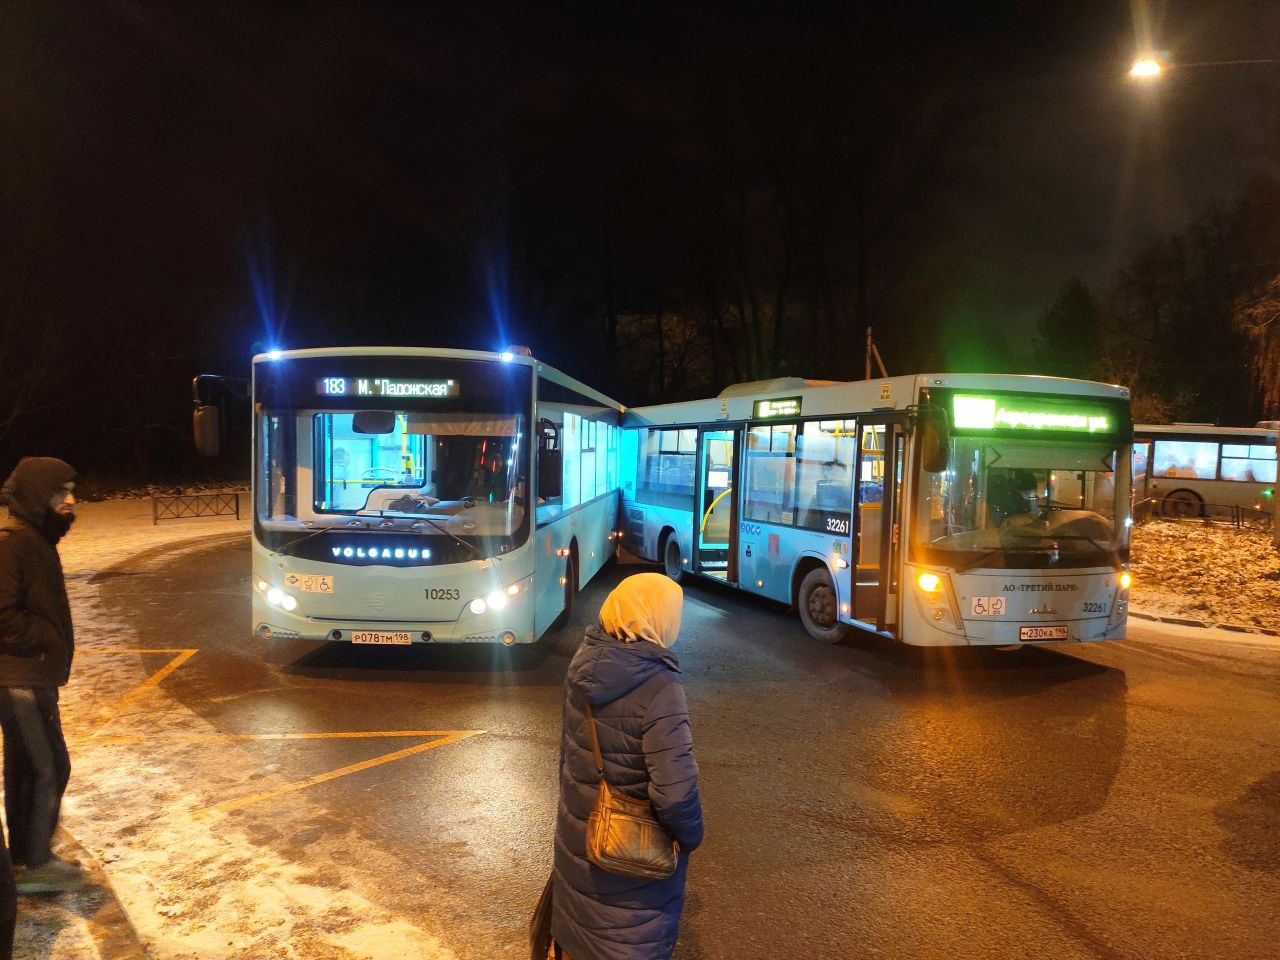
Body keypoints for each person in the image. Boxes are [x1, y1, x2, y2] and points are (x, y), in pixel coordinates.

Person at [550, 573, 703, 960]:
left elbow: (569, 755)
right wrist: (690, 838)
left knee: (581, 935)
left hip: (580, 836)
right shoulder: (660, 688)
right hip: (629, 860)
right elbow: (675, 792)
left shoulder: (583, 664)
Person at [0, 458, 83, 898]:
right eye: (60, 492)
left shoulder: (33, 539)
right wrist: (46, 639)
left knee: (26, 766)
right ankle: (36, 864)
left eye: (71, 491)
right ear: (37, 495)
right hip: (21, 677)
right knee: (50, 766)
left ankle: (22, 856)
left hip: (28, 675)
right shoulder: (16, 543)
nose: (70, 501)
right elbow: (2, 615)